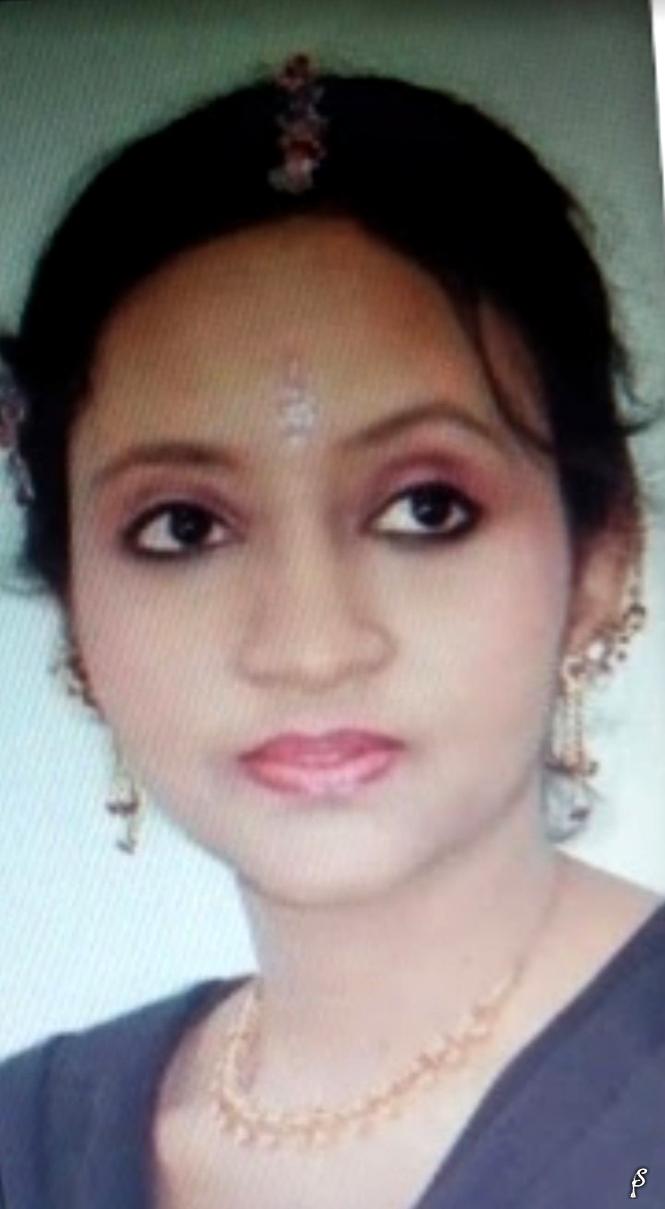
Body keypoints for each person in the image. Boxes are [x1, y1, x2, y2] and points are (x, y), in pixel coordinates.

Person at [0, 51, 663, 1209]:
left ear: (598, 561)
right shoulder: (25, 1140)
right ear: (77, 619)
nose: (307, 647)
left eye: (426, 508)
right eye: (182, 526)